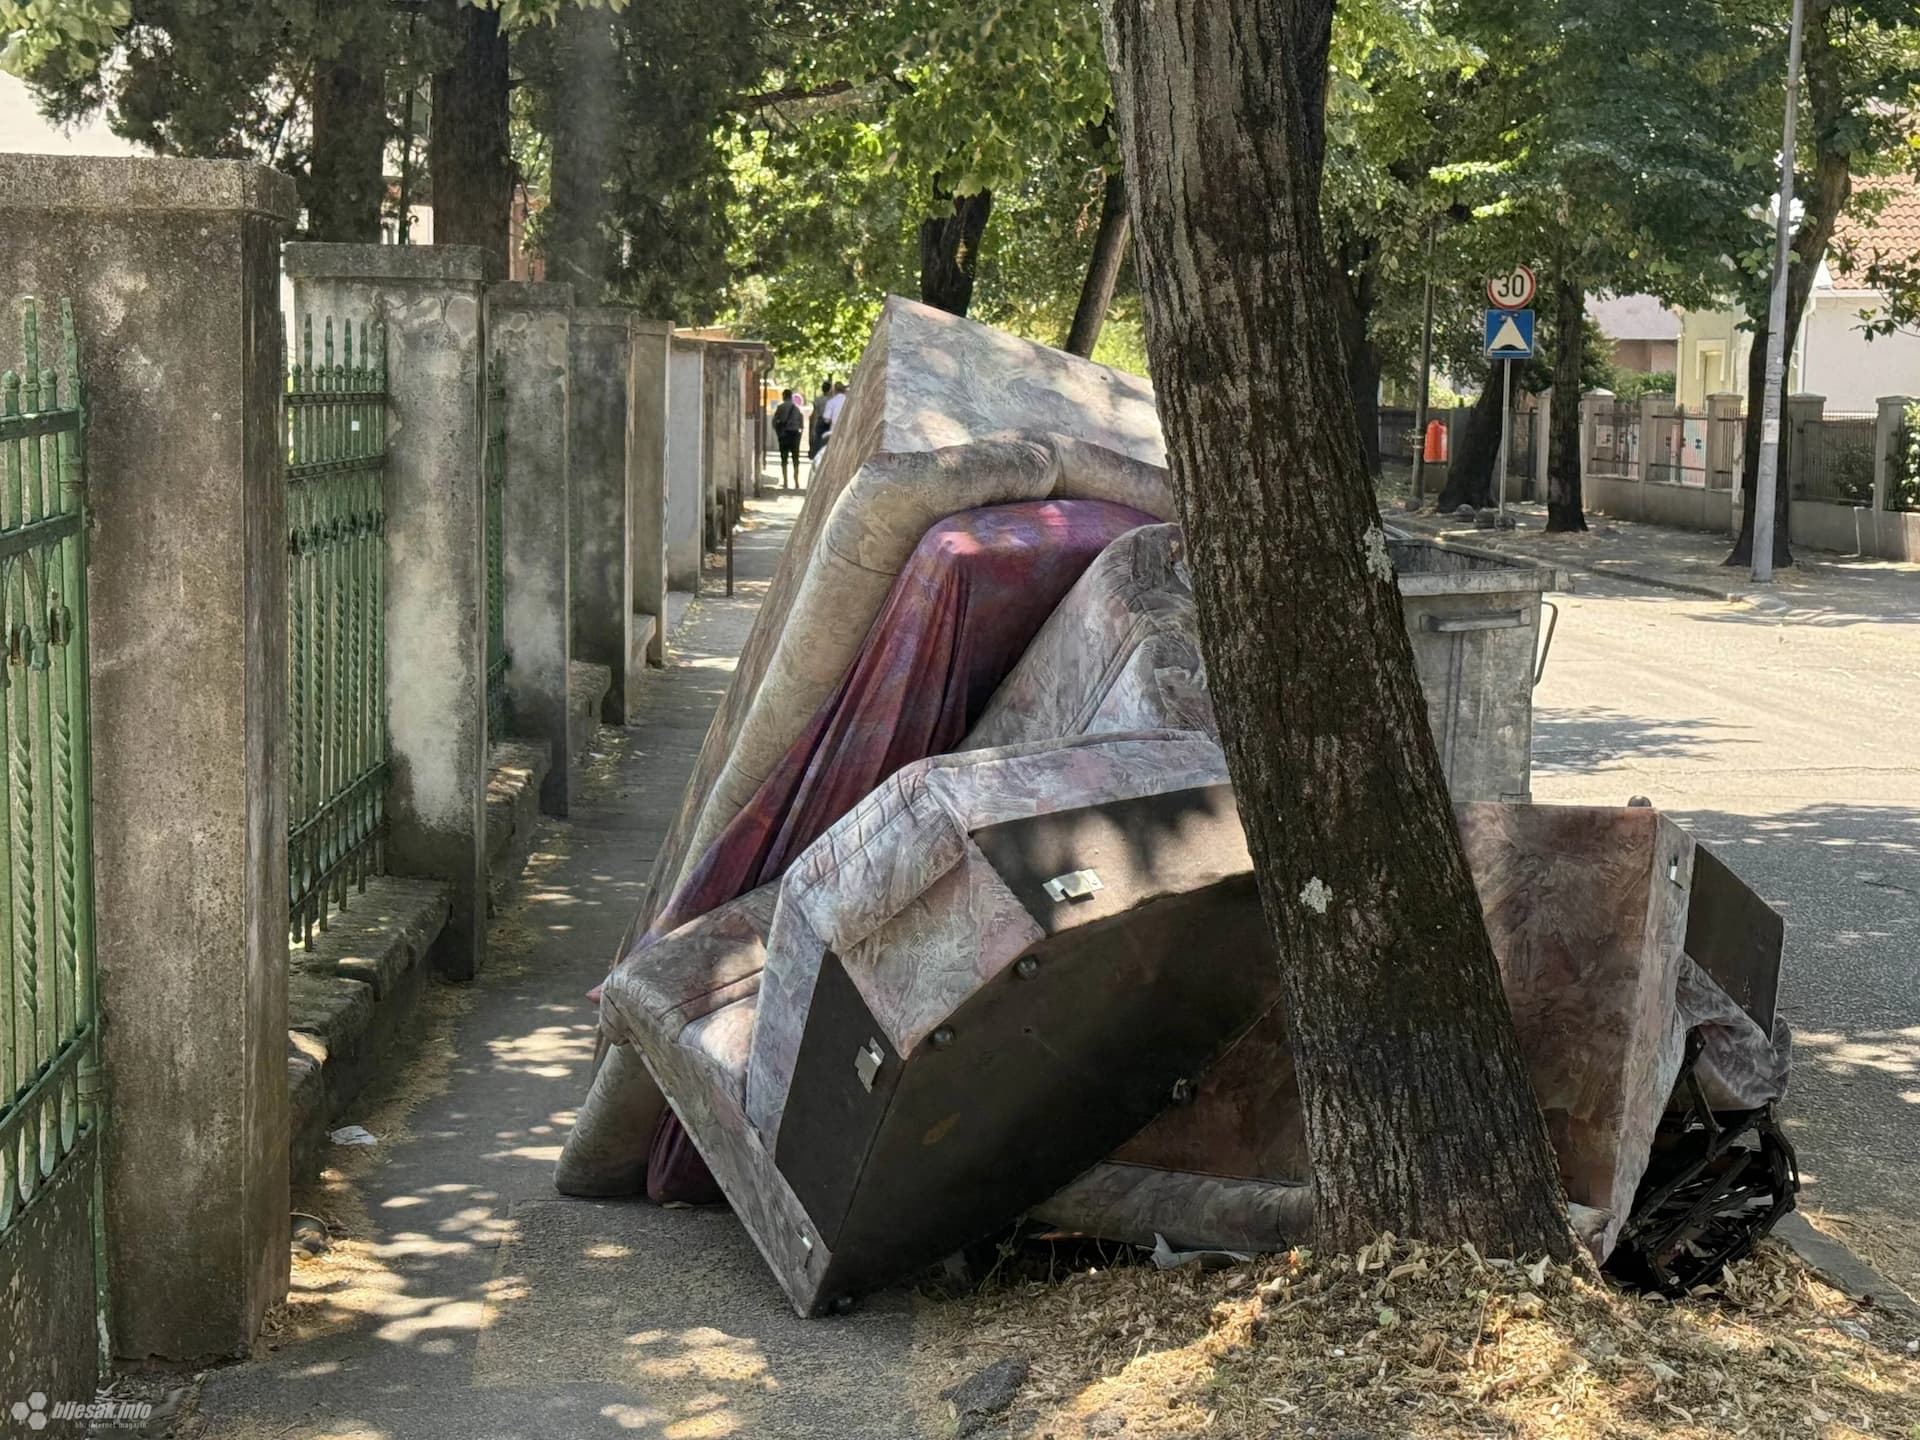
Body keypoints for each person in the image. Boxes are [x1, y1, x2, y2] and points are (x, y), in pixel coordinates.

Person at [771, 387, 805, 490]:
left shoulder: (780, 407)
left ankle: (785, 481)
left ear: (783, 396)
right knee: (795, 459)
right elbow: (801, 424)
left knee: (784, 459)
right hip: (795, 435)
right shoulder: (796, 408)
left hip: (784, 435)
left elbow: (774, 422)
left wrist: (778, 432)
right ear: (791, 396)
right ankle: (796, 481)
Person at [808, 378, 833, 469]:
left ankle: (818, 461)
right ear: (830, 389)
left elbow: (815, 414)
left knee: (819, 442)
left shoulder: (818, 400)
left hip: (820, 422)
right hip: (829, 422)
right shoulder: (832, 400)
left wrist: (813, 429)